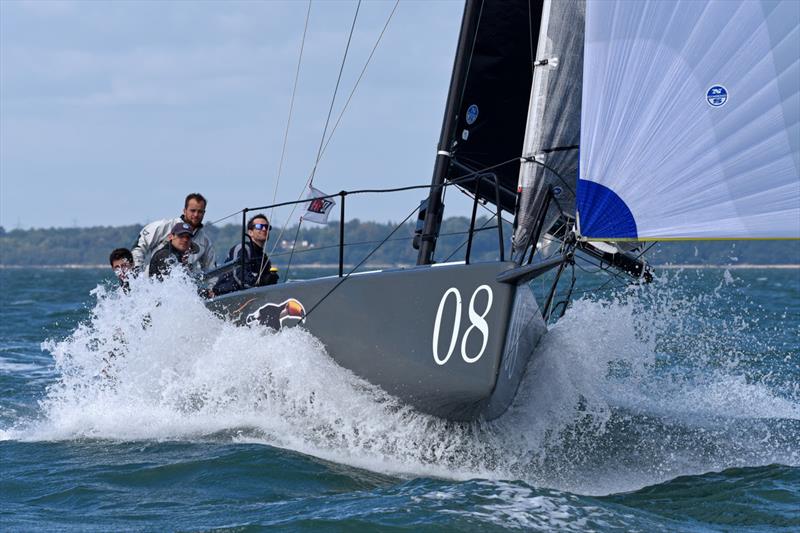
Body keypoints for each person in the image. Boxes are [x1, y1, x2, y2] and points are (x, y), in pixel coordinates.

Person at [131, 193, 215, 274]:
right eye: (192, 210)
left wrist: (211, 288)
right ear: (184, 211)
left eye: (200, 212)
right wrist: (137, 273)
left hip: (184, 285)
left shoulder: (205, 241)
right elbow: (139, 247)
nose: (196, 215)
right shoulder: (163, 226)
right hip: (152, 283)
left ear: (204, 213)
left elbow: (212, 270)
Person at [213, 213, 278, 296]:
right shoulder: (242, 248)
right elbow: (240, 277)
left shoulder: (264, 259)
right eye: (259, 226)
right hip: (226, 296)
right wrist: (261, 281)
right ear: (250, 232)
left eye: (267, 227)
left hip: (249, 298)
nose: (264, 229)